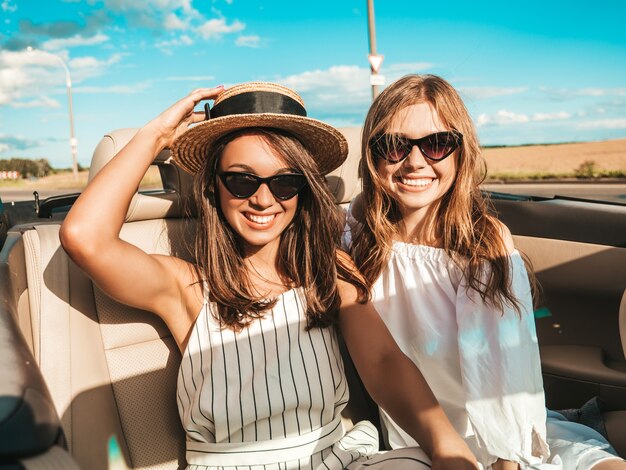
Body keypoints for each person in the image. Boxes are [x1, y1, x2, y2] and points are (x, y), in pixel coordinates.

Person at [60, 82, 479, 469]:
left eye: (284, 182)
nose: (263, 199)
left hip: (338, 458)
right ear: (213, 188)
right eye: (241, 181)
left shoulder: (330, 271)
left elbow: (385, 362)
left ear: (304, 189)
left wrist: (446, 444)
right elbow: (84, 239)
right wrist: (154, 136)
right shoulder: (185, 288)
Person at [344, 74, 625, 470]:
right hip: (419, 436)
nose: (415, 161)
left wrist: (506, 461)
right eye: (393, 145)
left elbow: (506, 372)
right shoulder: (354, 230)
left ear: (462, 152)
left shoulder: (483, 242)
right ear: (372, 154)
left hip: (498, 435)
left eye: (437, 144)